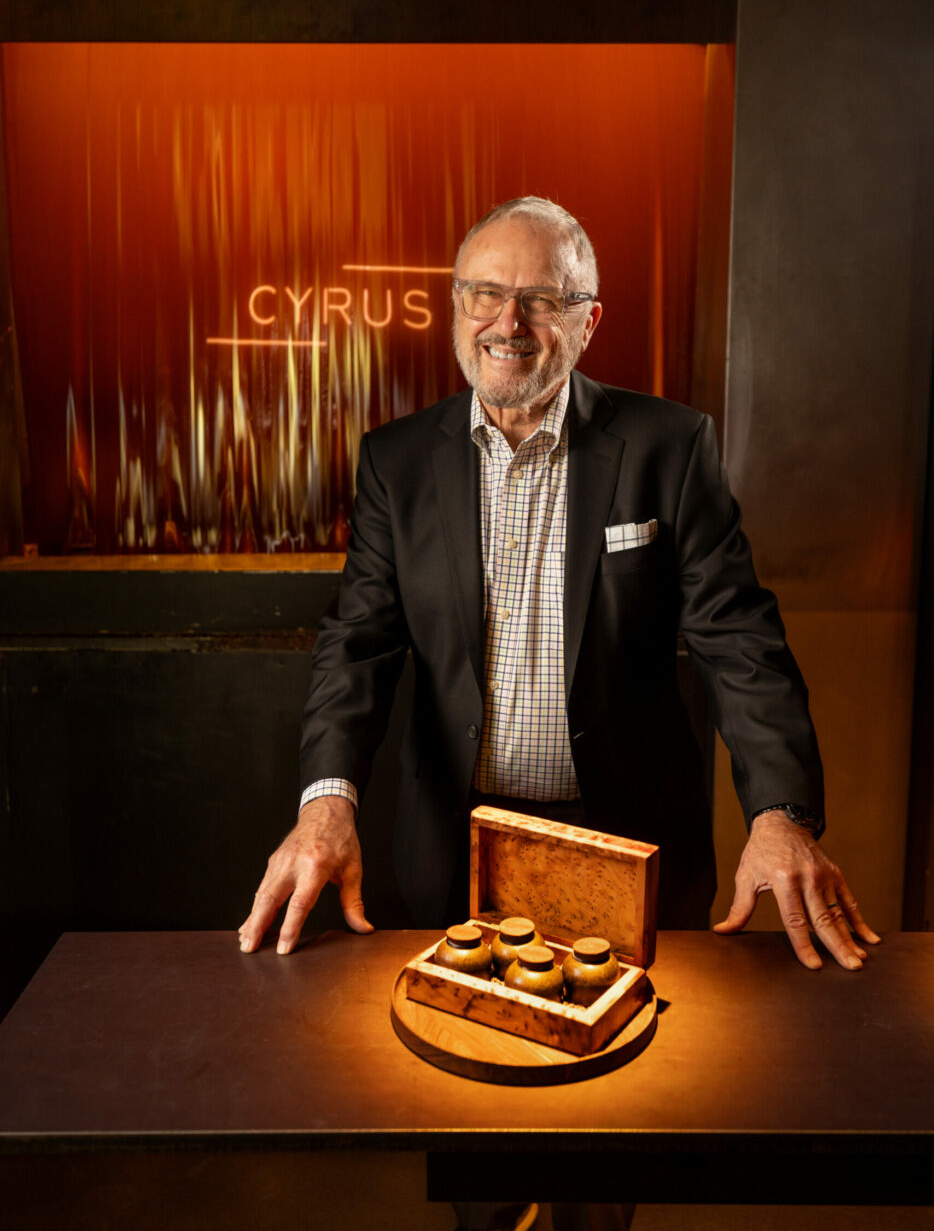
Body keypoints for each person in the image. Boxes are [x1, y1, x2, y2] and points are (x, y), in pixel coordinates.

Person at [238, 196, 879, 1229]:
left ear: (587, 321)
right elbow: (356, 643)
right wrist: (326, 802)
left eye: (541, 298)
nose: (509, 322)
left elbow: (739, 639)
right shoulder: (397, 459)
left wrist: (781, 812)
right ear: (455, 308)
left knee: (608, 1140)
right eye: (486, 294)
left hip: (622, 843)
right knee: (474, 1136)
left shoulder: (669, 445)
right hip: (463, 844)